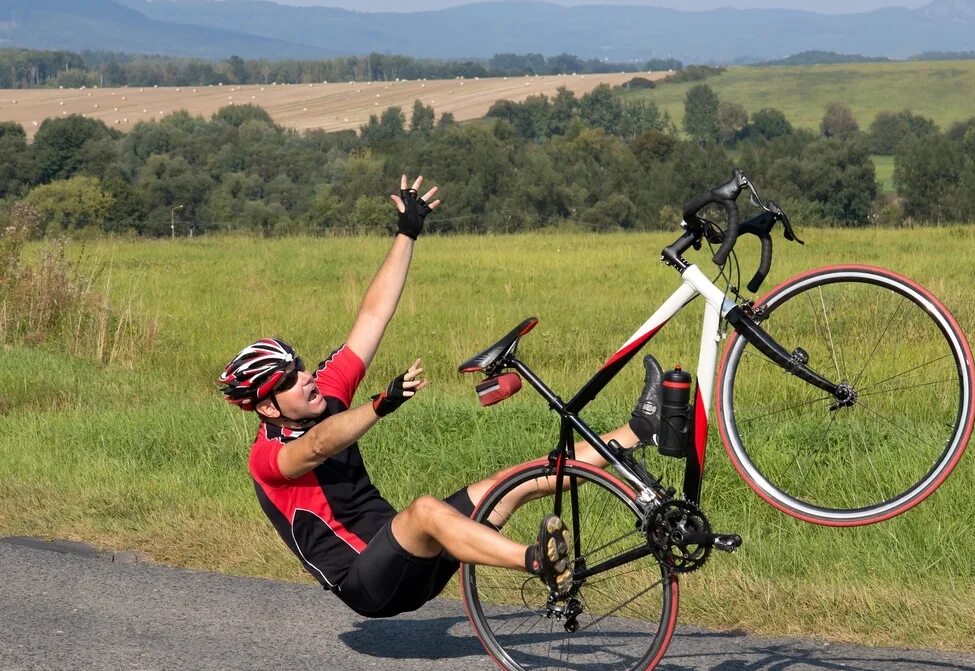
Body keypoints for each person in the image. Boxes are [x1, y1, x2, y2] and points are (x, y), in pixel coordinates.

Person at [217, 175, 662, 619]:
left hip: (414, 558)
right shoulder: (266, 459)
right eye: (290, 380)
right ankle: (537, 561)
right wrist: (379, 405)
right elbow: (317, 445)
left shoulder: (326, 392)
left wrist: (407, 233)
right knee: (426, 510)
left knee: (508, 485)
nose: (308, 376)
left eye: (301, 366)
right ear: (267, 407)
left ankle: (643, 428)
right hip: (367, 583)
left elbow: (374, 313)